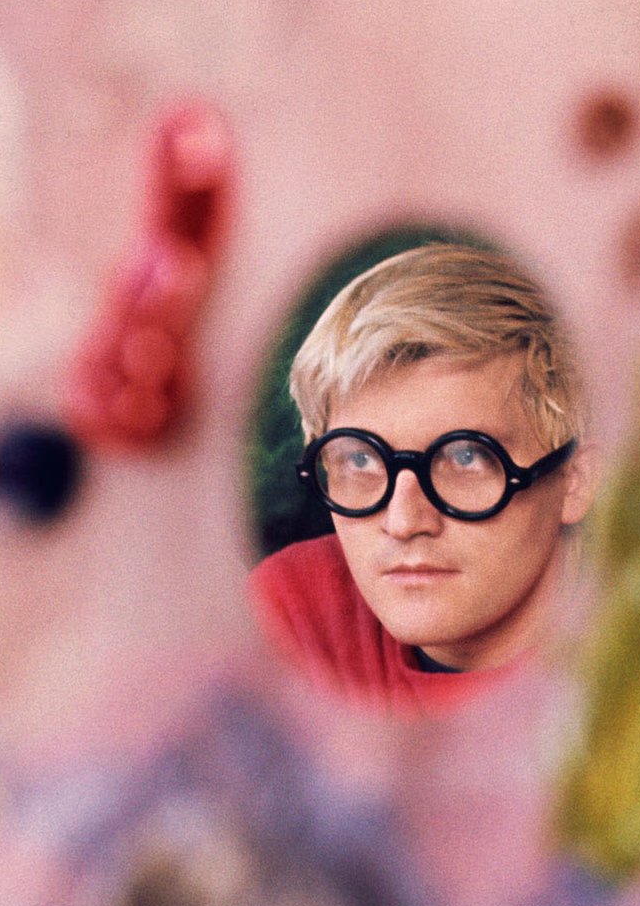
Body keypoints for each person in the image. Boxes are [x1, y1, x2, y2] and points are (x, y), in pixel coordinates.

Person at [249, 243, 597, 711]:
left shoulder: (637, 681)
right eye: (360, 461)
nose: (403, 521)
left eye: (466, 457)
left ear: (575, 480)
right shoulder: (297, 610)